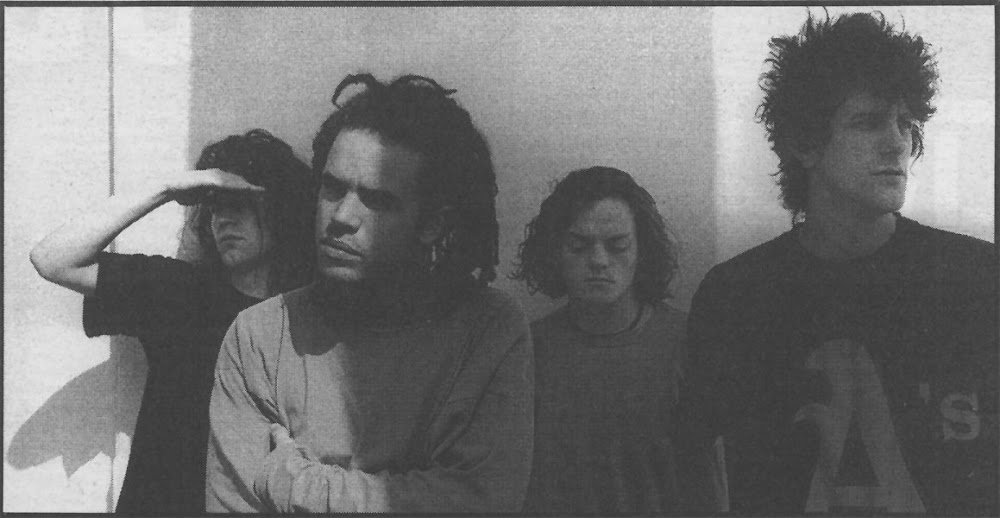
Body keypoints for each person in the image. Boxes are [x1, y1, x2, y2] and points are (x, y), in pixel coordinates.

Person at [680, 11, 998, 515]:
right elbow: (696, 469)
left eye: (905, 122)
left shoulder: (977, 277)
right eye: (867, 122)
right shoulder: (736, 296)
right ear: (805, 143)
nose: (897, 142)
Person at [205, 73, 534, 513]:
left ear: (432, 223)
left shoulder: (488, 331)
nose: (341, 216)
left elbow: (482, 503)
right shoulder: (260, 337)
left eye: (376, 200)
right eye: (332, 188)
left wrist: (296, 484)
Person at [29, 129, 317, 513]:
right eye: (213, 205)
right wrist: (166, 189)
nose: (222, 218)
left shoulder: (314, 315)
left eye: (240, 203)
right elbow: (52, 259)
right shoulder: (179, 293)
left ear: (281, 209)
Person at [512, 166, 702, 513]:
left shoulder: (687, 342)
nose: (599, 261)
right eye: (578, 246)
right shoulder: (527, 351)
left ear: (642, 251)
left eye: (617, 246)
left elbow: (710, 482)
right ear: (555, 251)